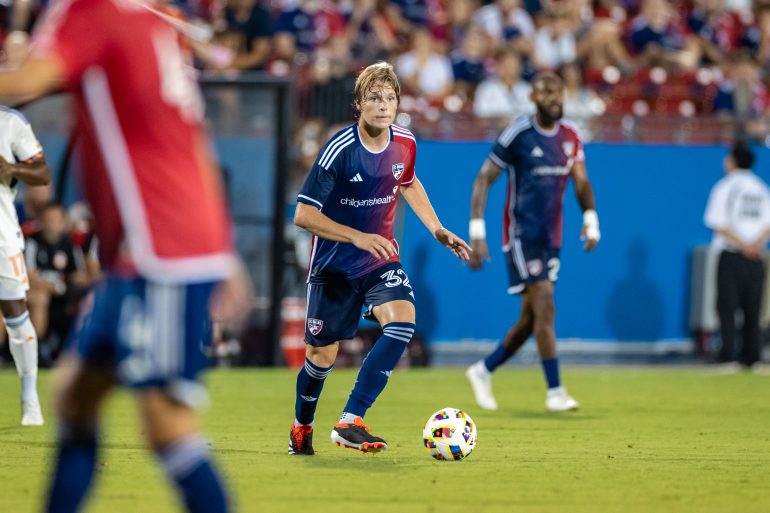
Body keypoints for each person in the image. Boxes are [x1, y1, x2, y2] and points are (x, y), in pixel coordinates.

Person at [0, 0, 251, 511]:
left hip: (159, 251)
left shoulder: (88, 11)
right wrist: (223, 249)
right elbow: (192, 142)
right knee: (76, 396)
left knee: (168, 426)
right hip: (152, 250)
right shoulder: (153, 22)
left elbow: (26, 82)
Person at [289, 61, 470, 455]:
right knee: (320, 359)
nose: (383, 105)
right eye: (374, 98)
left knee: (402, 324)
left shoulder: (405, 142)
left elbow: (408, 182)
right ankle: (302, 426)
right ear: (359, 103)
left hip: (379, 259)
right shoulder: (339, 149)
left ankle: (351, 420)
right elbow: (303, 215)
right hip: (334, 267)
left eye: (390, 98)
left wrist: (436, 227)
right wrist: (357, 236)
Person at [465, 72, 601, 412]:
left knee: (531, 319)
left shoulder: (571, 135)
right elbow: (484, 178)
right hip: (521, 234)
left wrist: (590, 219)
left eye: (558, 91)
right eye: (546, 92)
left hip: (552, 236)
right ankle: (555, 391)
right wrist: (477, 233)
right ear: (534, 98)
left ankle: (483, 370)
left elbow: (581, 182)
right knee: (545, 302)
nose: (554, 97)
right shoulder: (518, 134)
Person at [0, 104, 50, 426]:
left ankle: (30, 397)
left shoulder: (9, 121)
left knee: (15, 312)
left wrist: (11, 169)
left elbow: (42, 173)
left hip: (1, 235)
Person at [704, 141, 770, 371]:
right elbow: (767, 225)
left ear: (733, 161)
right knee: (754, 309)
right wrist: (755, 245)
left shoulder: (725, 187)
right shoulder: (761, 188)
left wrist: (743, 245)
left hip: (732, 255)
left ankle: (728, 355)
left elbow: (718, 224)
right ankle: (753, 356)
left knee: (727, 306)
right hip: (757, 256)